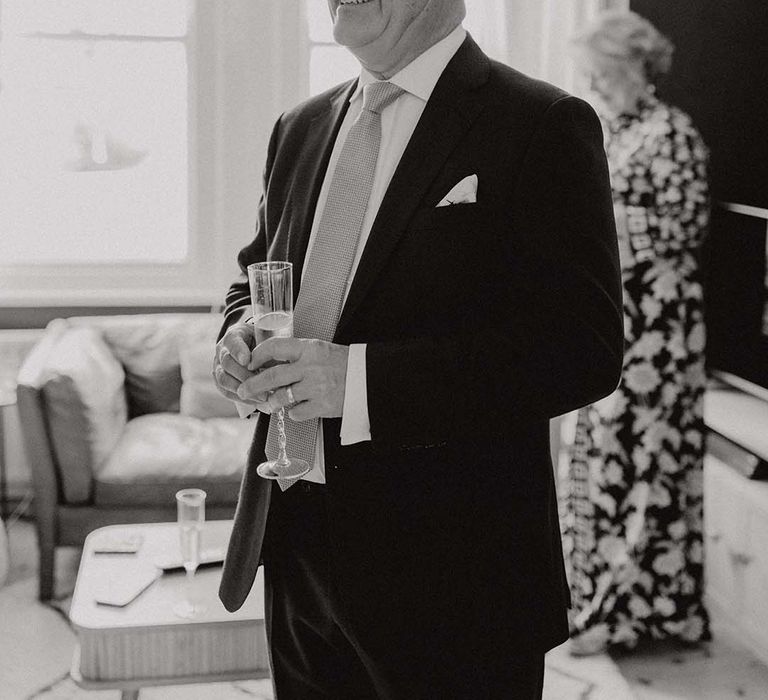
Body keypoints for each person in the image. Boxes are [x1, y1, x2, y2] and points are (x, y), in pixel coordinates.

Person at [212, 1, 623, 697]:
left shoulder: (541, 123)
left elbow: (581, 348)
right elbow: (255, 276)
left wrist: (359, 383)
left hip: (455, 576)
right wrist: (235, 334)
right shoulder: (300, 127)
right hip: (295, 543)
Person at [561, 10, 711, 656]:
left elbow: (685, 227)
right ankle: (595, 601)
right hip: (617, 321)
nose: (594, 84)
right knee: (602, 464)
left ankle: (631, 613)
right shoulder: (616, 131)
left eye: (601, 72)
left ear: (632, 67)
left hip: (660, 331)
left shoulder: (672, 133)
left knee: (649, 467)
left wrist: (599, 230)